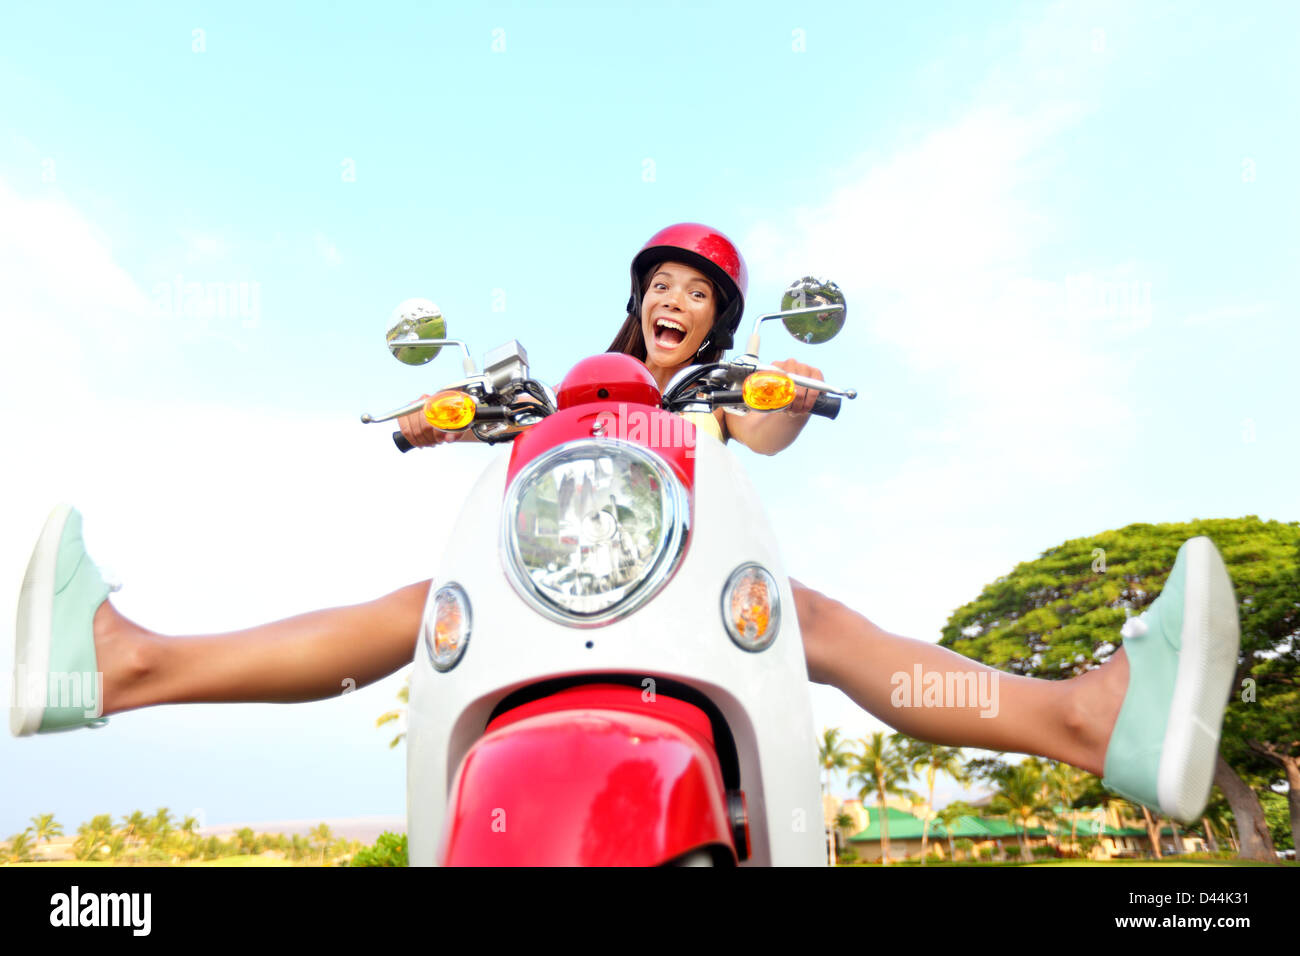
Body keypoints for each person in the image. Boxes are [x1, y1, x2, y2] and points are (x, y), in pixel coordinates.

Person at [10, 223, 1241, 828]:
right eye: (662, 284)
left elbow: (767, 434)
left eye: (698, 294)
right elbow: (476, 424)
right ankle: (121, 662)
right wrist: (439, 417)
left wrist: (792, 398)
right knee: (422, 608)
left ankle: (1085, 717)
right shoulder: (577, 390)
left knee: (813, 618)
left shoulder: (722, 392)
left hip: (698, 580)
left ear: (720, 321)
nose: (675, 300)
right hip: (554, 568)